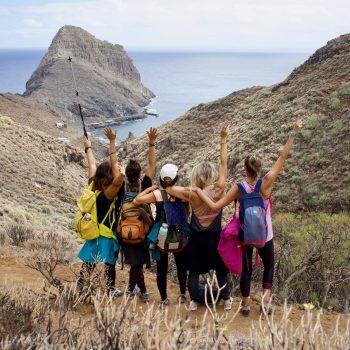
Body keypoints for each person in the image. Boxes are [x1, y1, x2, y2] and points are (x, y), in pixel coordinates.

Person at [194, 118, 303, 316]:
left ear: (245, 169)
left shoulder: (239, 188)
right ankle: (264, 300)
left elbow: (216, 206)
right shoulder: (267, 182)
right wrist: (293, 132)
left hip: (245, 236)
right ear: (259, 169)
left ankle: (244, 304)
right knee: (269, 265)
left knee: (246, 269)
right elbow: (283, 157)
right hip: (265, 234)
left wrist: (200, 193)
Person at [163, 123, 232, 311]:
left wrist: (168, 177)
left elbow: (168, 188)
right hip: (215, 237)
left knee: (194, 269)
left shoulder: (191, 193)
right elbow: (224, 164)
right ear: (211, 175)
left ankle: (193, 301)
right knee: (221, 269)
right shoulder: (218, 191)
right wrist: (223, 139)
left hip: (197, 237)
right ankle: (226, 301)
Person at [132, 164, 188, 306]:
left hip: (162, 234)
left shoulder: (158, 194)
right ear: (176, 178)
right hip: (179, 232)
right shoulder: (183, 194)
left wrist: (150, 189)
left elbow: (136, 201)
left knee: (161, 267)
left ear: (161, 180)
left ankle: (164, 299)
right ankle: (182, 294)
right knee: (181, 264)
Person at [77, 128, 124, 295]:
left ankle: (81, 288)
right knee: (109, 264)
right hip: (106, 235)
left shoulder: (92, 185)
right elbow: (118, 181)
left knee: (89, 262)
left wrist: (88, 146)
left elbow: (91, 164)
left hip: (93, 232)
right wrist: (112, 143)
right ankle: (110, 291)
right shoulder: (108, 195)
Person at [121, 127, 158, 302]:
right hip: (142, 230)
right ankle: (139, 291)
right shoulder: (145, 184)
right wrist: (151, 142)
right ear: (139, 173)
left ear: (126, 174)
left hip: (125, 230)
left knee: (135, 264)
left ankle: (133, 290)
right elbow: (152, 165)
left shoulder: (122, 187)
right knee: (138, 264)